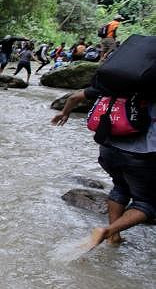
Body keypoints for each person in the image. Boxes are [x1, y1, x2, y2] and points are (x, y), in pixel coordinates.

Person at [51, 88, 155, 251]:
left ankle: (114, 237)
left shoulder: (113, 80)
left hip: (108, 148)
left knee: (120, 187)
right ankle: (107, 231)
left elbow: (74, 97)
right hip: (141, 153)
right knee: (146, 203)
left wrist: (64, 113)